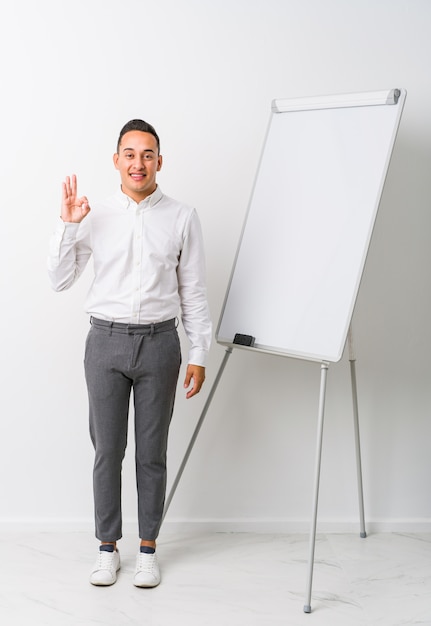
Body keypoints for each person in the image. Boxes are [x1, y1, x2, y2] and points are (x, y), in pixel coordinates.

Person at [47, 119, 212, 588]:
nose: (138, 162)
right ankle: (107, 548)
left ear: (160, 161)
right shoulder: (93, 215)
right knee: (108, 451)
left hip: (161, 343)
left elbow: (194, 291)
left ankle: (147, 550)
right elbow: (59, 280)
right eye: (129, 153)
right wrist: (67, 225)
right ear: (116, 160)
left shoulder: (182, 217)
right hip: (105, 343)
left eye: (147, 154)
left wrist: (199, 351)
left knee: (152, 453)